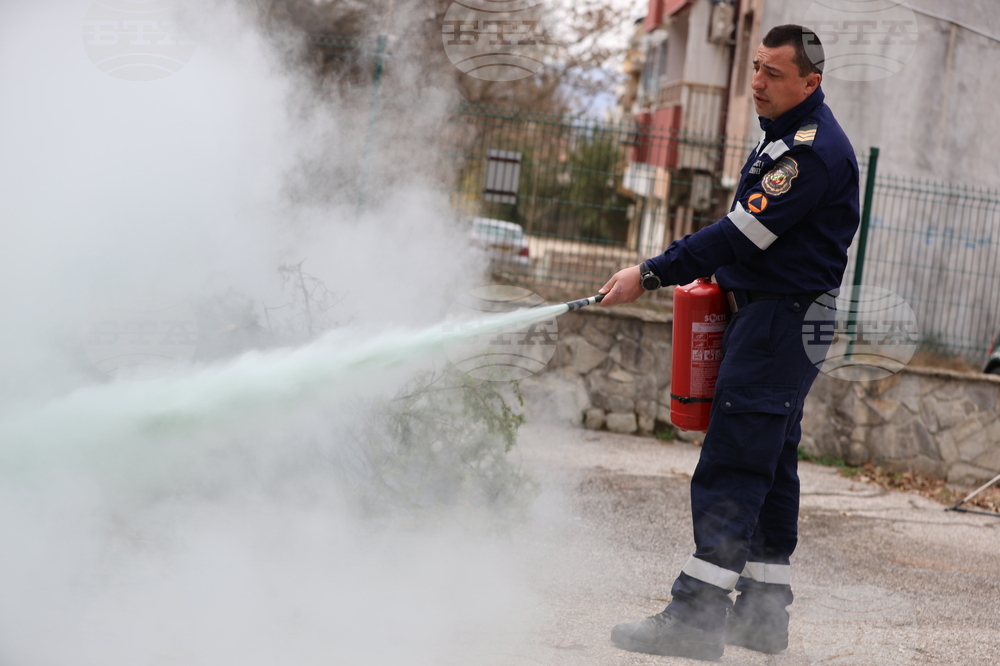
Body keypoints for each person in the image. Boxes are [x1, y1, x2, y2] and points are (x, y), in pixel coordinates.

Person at [598, 25, 860, 661]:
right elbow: (757, 241)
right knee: (770, 467)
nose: (758, 82)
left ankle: (694, 616)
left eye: (773, 73)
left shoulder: (808, 153)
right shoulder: (782, 140)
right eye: (756, 67)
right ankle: (764, 618)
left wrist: (652, 272)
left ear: (811, 82)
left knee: (735, 464)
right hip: (784, 317)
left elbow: (739, 235)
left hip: (780, 322)